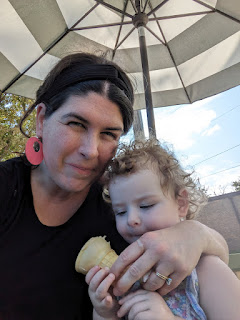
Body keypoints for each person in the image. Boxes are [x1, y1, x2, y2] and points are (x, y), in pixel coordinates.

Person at [0, 52, 229, 320]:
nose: (91, 150)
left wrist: (195, 233)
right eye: (76, 123)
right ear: (41, 119)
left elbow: (216, 254)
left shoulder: (119, 204)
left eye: (108, 134)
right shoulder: (7, 187)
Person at [86, 139, 240, 320]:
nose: (131, 219)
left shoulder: (207, 269)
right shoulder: (126, 277)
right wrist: (106, 312)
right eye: (120, 212)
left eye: (146, 205)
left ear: (181, 204)